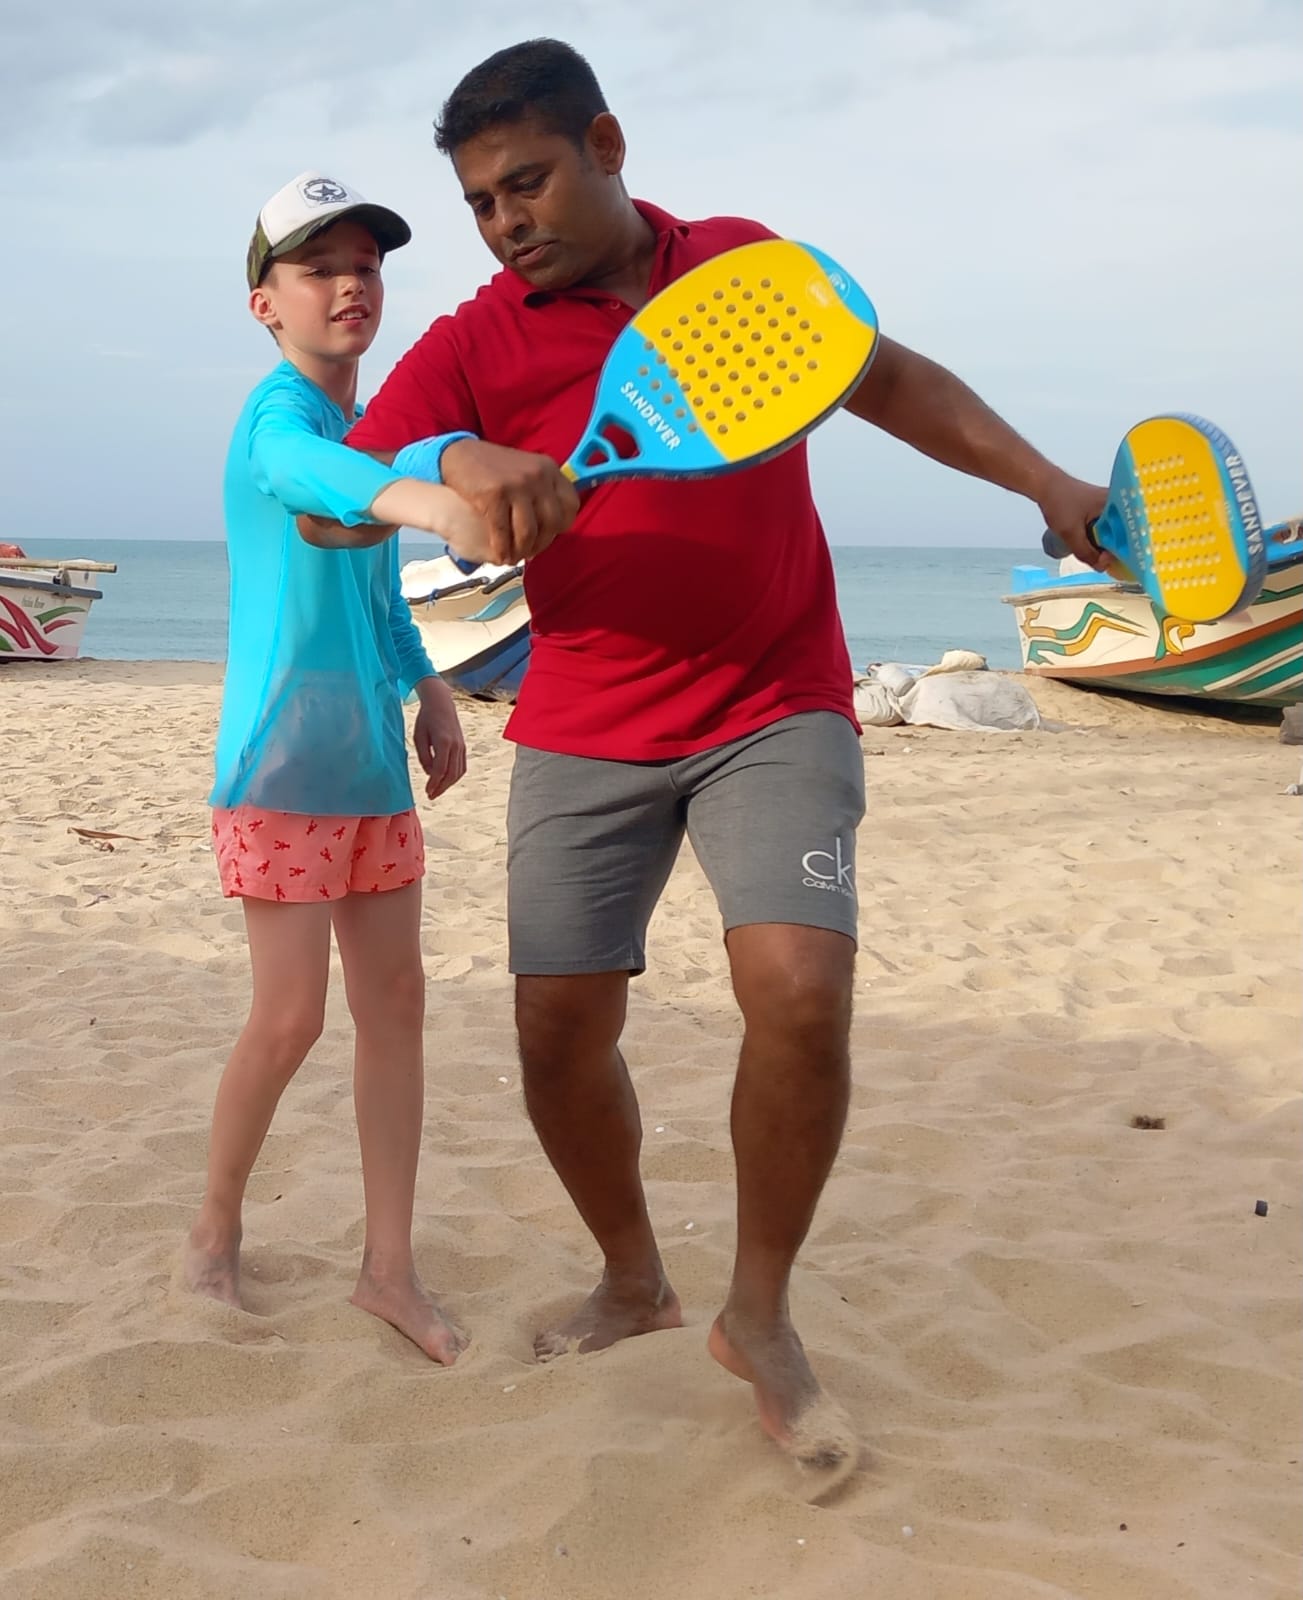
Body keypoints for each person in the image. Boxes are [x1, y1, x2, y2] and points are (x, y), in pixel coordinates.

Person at [310, 40, 1108, 1468]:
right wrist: (444, 471)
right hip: (583, 718)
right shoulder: (476, 343)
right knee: (556, 1034)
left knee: (798, 989)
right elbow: (329, 501)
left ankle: (761, 1311)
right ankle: (633, 1277)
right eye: (482, 202)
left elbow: (885, 380)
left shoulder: (736, 268)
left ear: (607, 145)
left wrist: (1045, 481)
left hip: (772, 698)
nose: (505, 223)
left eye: (528, 182)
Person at [185, 171, 494, 1365]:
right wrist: (433, 499)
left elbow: (374, 591)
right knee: (289, 1017)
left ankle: (388, 1268)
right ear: (265, 303)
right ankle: (213, 1230)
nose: (349, 284)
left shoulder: (360, 433)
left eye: (365, 265)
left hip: (368, 765)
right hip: (277, 766)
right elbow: (327, 487)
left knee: (396, 1005)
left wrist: (431, 691)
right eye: (319, 269)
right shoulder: (279, 422)